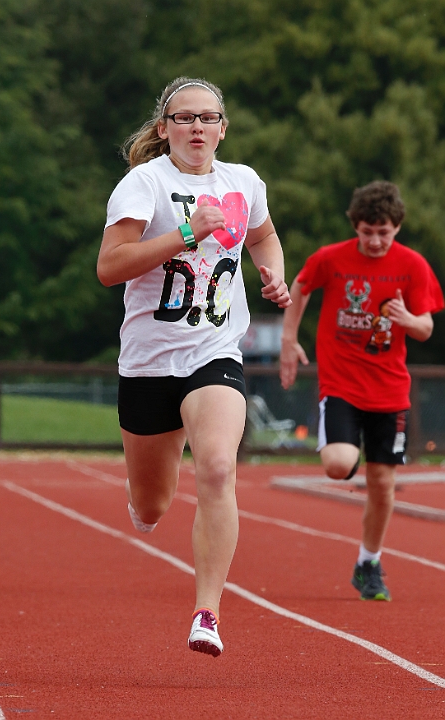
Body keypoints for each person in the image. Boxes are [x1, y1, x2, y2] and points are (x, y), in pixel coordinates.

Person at [97, 76, 291, 655]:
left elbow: (264, 236)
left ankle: (207, 612)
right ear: (165, 129)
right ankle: (147, 491)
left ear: (223, 128)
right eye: (184, 118)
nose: (197, 127)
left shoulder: (244, 183)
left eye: (208, 118)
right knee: (152, 504)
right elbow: (110, 267)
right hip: (150, 361)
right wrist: (185, 232)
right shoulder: (143, 184)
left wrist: (272, 271)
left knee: (218, 469)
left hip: (213, 351)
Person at [280, 181, 444, 601]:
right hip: (341, 383)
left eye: (383, 232)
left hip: (389, 390)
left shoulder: (413, 265)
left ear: (397, 228)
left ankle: (368, 562)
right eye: (366, 231)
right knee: (338, 465)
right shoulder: (331, 258)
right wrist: (289, 338)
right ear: (355, 226)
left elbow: (426, 328)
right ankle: (345, 447)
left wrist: (407, 318)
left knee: (383, 484)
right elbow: (300, 287)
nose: (374, 240)